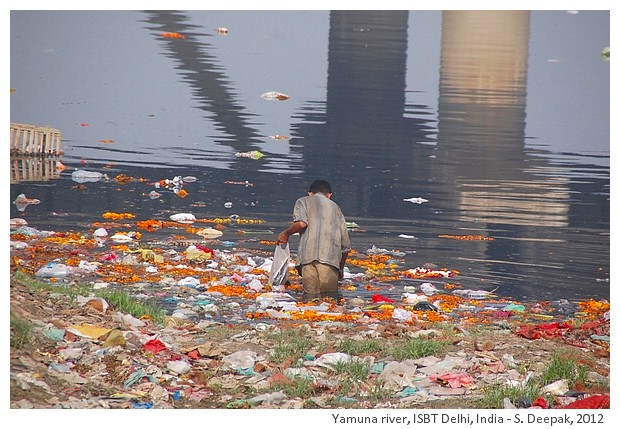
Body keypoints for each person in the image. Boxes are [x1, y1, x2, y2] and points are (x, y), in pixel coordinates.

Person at [277, 179, 351, 301]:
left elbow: (301, 223)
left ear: (310, 193)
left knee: (310, 300)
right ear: (329, 195)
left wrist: (286, 233)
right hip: (330, 261)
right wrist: (341, 268)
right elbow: (345, 245)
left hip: (307, 259)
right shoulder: (336, 208)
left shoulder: (303, 201)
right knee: (329, 301)